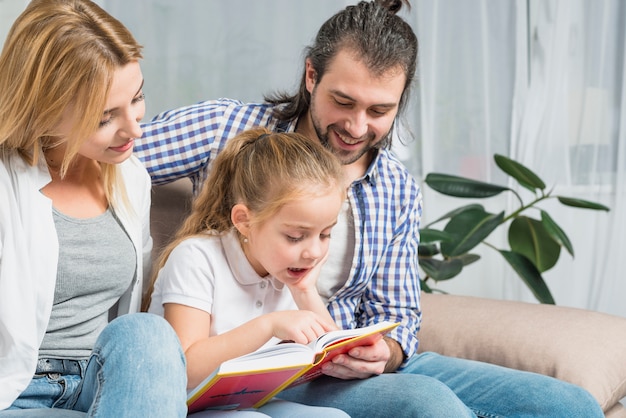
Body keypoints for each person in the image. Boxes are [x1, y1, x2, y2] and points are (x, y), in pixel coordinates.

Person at [136, 1, 604, 417]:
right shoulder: (226, 128)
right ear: (311, 76)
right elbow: (98, 155)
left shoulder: (397, 189)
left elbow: (400, 314)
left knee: (569, 406)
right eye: (343, 101)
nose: (356, 127)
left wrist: (386, 352)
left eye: (380, 111)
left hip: (346, 356)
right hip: (281, 369)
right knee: (427, 404)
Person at [0, 1, 187, 417]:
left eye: (137, 98)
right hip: (17, 390)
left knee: (147, 332)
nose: (135, 128)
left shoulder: (129, 177)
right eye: (105, 118)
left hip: (104, 382)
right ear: (43, 111)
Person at [146, 127, 350, 417]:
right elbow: (185, 368)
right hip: (183, 403)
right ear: (244, 221)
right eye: (295, 236)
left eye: (325, 234)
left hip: (246, 401)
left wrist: (305, 293)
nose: (313, 252)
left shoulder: (290, 270)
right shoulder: (197, 258)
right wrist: (268, 325)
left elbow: (329, 358)